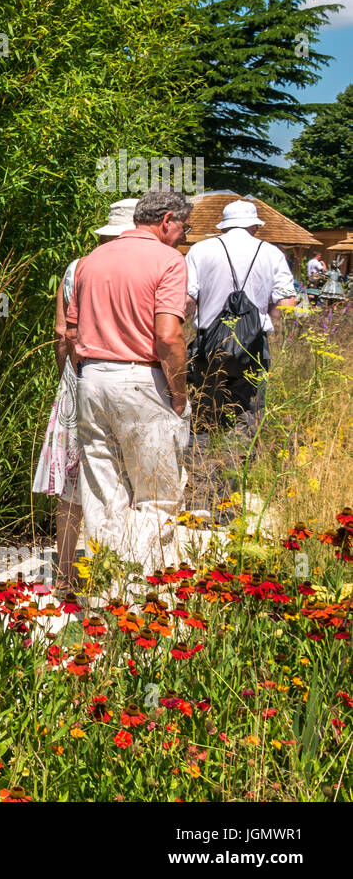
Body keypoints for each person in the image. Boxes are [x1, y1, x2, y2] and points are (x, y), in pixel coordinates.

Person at [65, 190, 192, 584]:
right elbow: (168, 336)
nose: (184, 238)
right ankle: (136, 586)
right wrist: (179, 393)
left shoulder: (91, 260)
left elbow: (70, 331)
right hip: (141, 379)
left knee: (103, 494)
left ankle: (107, 586)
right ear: (167, 220)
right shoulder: (169, 260)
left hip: (92, 378)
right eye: (185, 228)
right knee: (156, 496)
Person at [33, 199, 135, 594]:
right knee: (123, 478)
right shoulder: (149, 265)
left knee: (72, 485)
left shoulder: (77, 267)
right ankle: (116, 574)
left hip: (80, 380)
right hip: (129, 381)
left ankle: (64, 576)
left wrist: (69, 378)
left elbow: (63, 334)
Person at [185, 199, 296, 438]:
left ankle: (203, 463)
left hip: (209, 343)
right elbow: (287, 303)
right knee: (246, 408)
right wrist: (266, 319)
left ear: (223, 227)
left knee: (205, 408)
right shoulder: (271, 253)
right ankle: (237, 460)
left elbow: (187, 300)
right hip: (254, 343)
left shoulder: (200, 250)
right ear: (254, 226)